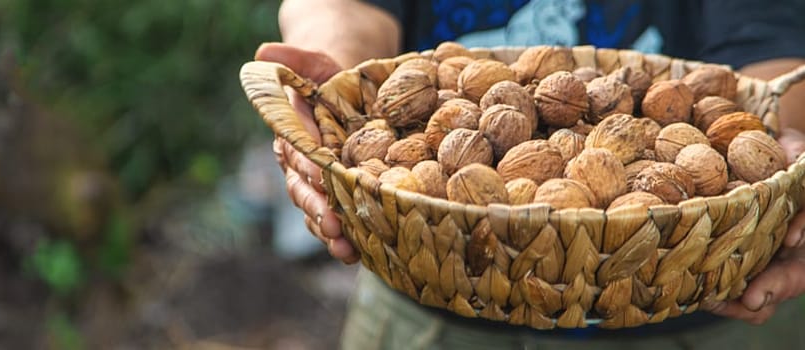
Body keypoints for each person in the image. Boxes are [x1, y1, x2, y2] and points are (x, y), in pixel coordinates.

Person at [261, 0, 805, 348]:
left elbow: (772, 44)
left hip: (693, 296)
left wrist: (784, 141)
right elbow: (346, 9)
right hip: (430, 283)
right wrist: (335, 79)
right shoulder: (444, 141)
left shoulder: (636, 146)